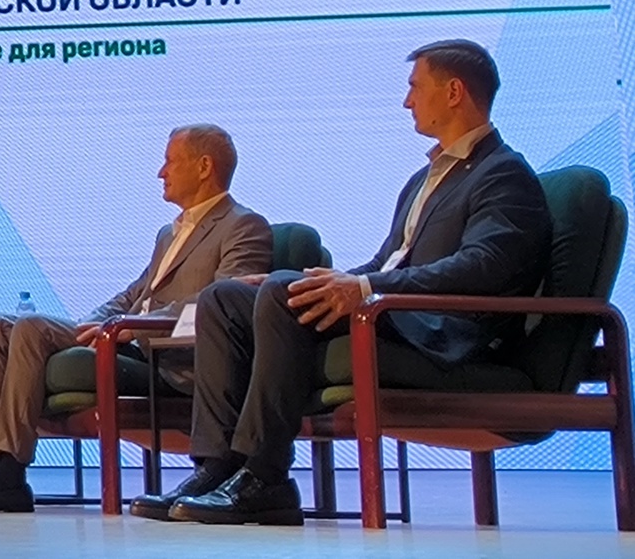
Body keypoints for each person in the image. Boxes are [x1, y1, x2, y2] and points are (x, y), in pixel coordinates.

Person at [138, 39, 551, 526]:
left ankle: (266, 478)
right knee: (229, 297)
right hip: (394, 311)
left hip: (439, 329)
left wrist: (365, 288)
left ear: (454, 92)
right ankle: (219, 467)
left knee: (281, 293)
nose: (407, 101)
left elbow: (485, 265)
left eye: (415, 87)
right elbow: (387, 260)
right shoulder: (424, 178)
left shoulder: (503, 174)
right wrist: (338, 281)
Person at [0, 124, 269, 513]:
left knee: (31, 328)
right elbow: (133, 294)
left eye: (170, 162)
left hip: (167, 357)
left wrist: (128, 327)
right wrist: (93, 323)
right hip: (125, 336)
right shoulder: (169, 233)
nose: (161, 172)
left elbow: (224, 302)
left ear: (205, 166)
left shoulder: (243, 225)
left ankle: (10, 474)